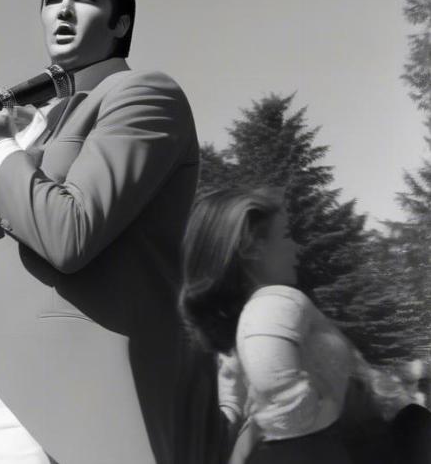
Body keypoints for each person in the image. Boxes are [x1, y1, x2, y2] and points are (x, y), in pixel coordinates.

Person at [0, 0, 225, 464]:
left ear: (121, 24)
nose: (63, 9)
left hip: (58, 410)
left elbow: (70, 234)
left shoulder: (143, 95)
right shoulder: (35, 125)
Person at [179, 187, 431, 464]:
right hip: (389, 439)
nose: (295, 247)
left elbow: (240, 418)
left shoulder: (242, 330)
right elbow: (291, 422)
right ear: (250, 246)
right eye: (285, 235)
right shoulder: (272, 306)